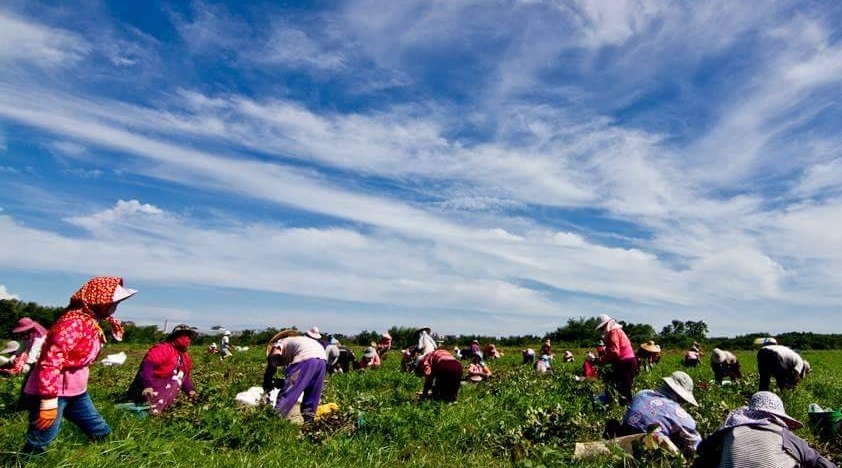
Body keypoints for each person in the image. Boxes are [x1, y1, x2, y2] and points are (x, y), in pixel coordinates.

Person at [21, 276, 137, 453]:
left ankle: (105, 457)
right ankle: (24, 462)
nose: (115, 306)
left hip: (76, 392)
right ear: (99, 300)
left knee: (100, 431)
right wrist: (48, 402)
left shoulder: (91, 321)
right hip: (52, 393)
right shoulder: (73, 323)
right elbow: (50, 362)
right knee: (40, 440)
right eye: (113, 302)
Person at [694, 391, 837, 467]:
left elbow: (702, 449)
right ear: (776, 416)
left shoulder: (729, 431)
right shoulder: (782, 433)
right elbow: (816, 460)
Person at [621, 371, 701, 454]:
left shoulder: (642, 393)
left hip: (623, 441)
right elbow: (695, 444)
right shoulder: (683, 417)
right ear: (681, 397)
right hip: (650, 450)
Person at [126, 324, 198, 415]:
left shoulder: (185, 358)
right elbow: (147, 366)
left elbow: (184, 378)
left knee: (152, 417)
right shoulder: (163, 349)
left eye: (189, 337)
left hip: (161, 401)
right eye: (185, 336)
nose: (188, 340)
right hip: (146, 395)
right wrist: (148, 385)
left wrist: (190, 390)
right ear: (175, 337)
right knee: (135, 414)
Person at [263, 334, 328, 423]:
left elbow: (273, 358)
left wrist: (267, 378)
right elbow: (302, 381)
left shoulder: (278, 343)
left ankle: (275, 420)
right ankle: (308, 421)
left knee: (289, 392)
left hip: (306, 358)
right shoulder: (297, 341)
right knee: (312, 392)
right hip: (322, 361)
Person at [595, 314, 638, 405]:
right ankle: (616, 405)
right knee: (620, 386)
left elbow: (615, 352)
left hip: (625, 363)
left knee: (624, 389)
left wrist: (599, 360)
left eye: (602, 328)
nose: (602, 331)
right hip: (626, 362)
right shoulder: (616, 331)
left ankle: (626, 410)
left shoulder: (613, 332)